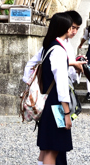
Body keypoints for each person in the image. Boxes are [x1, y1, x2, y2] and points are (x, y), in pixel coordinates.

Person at [34, 14, 74, 165]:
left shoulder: (48, 47)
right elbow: (62, 84)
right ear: (64, 28)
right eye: (71, 27)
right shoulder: (58, 50)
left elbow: (29, 69)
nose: (72, 30)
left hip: (47, 100)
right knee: (53, 149)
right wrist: (67, 112)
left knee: (46, 147)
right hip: (55, 103)